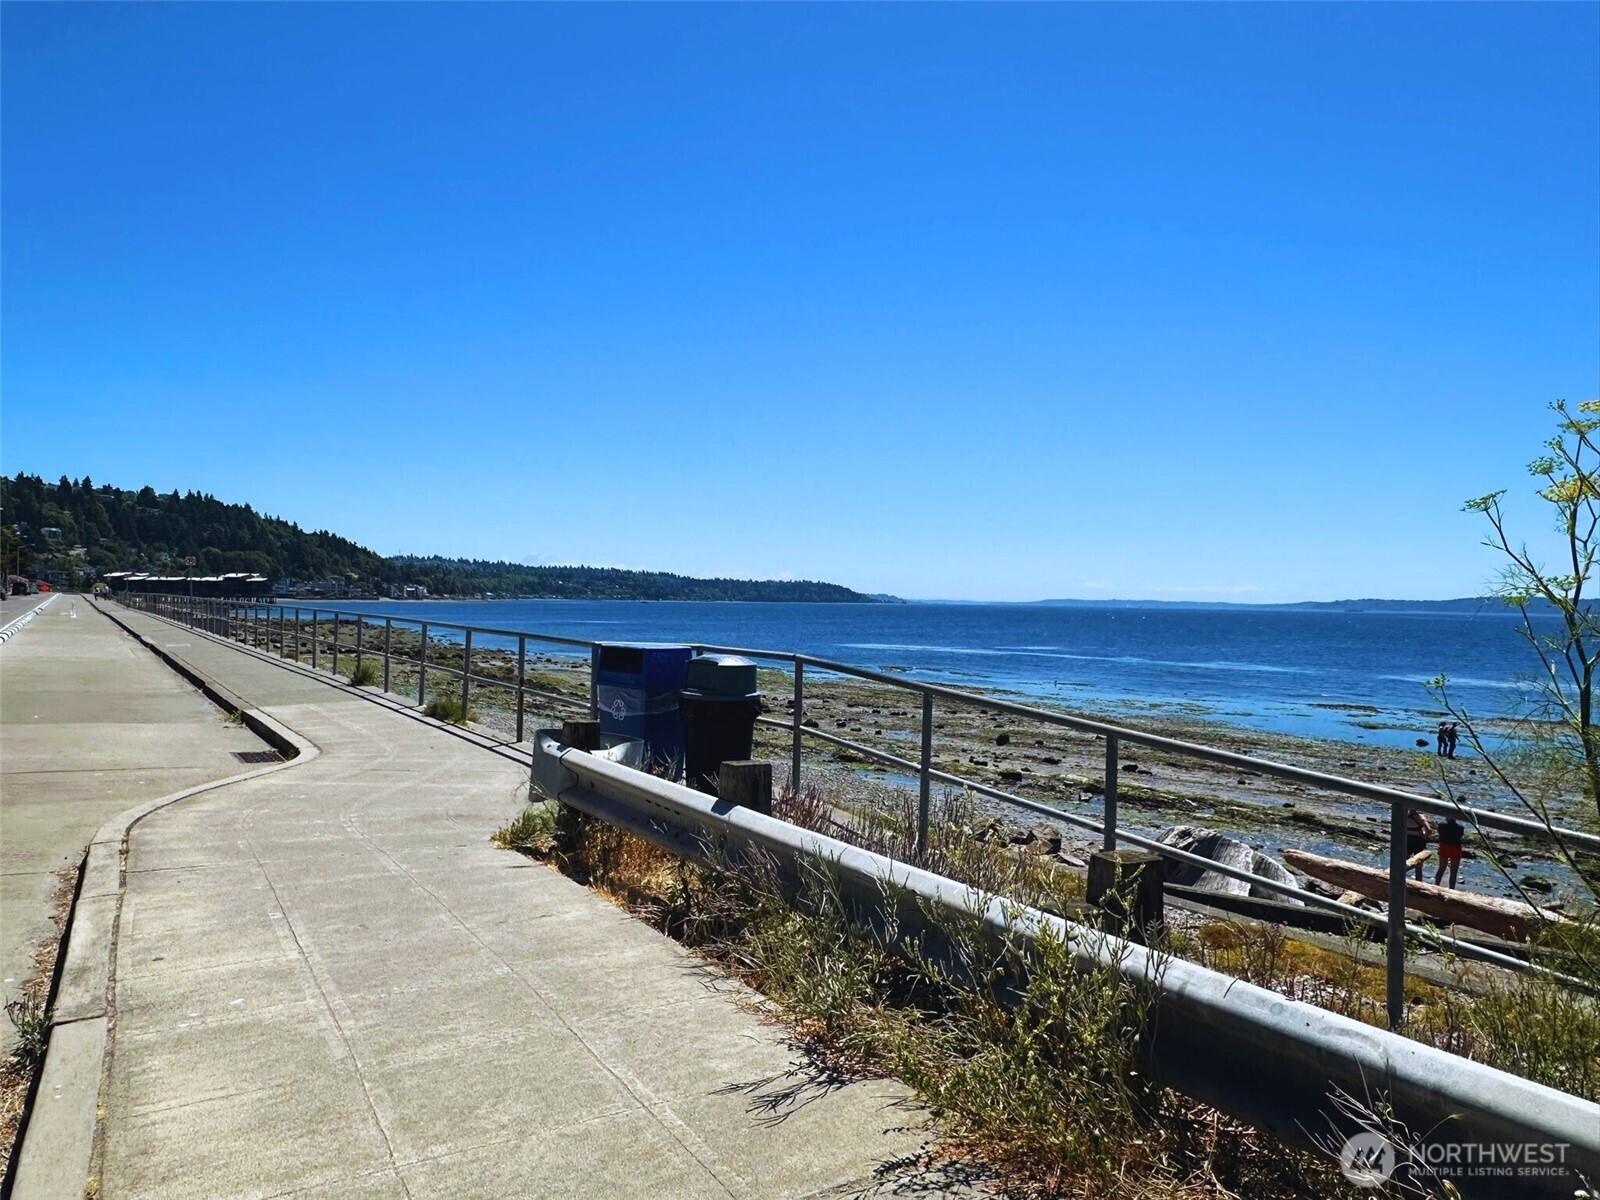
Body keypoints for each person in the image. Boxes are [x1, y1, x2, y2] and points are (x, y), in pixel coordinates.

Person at [1434, 816, 1465, 888]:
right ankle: (1451, 888)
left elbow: (1439, 833)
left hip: (1444, 846)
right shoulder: (1460, 827)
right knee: (1454, 872)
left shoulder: (1441, 825)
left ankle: (1436, 885)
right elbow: (1460, 836)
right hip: (1455, 847)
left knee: (1441, 868)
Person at [1405, 808, 1434, 880]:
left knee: (1404, 861)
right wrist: (1425, 835)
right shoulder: (1420, 817)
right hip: (1418, 840)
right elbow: (1429, 830)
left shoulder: (1404, 816)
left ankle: (1400, 878)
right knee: (1419, 863)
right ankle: (1418, 880)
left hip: (1407, 839)